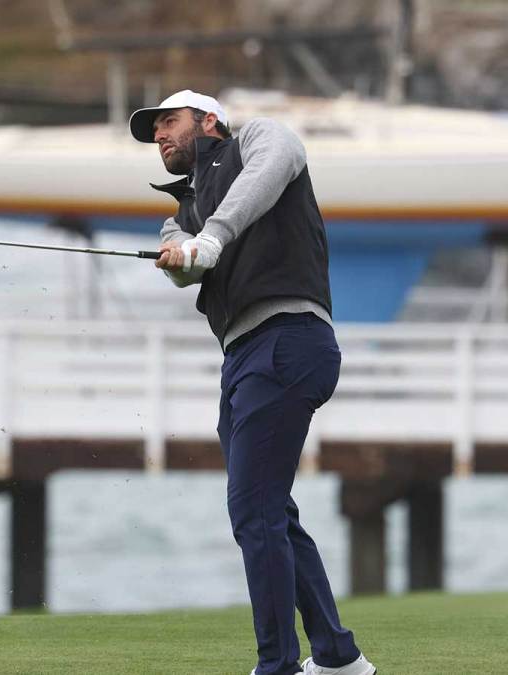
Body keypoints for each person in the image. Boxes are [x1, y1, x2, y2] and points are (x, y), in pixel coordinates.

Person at [128, 90, 376, 675]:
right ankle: (338, 657)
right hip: (243, 357)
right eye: (153, 130)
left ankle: (278, 666)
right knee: (270, 510)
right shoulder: (179, 211)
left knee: (252, 508)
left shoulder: (257, 140)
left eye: (170, 122)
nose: (160, 135)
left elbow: (274, 167)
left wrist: (210, 239)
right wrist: (181, 254)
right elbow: (182, 266)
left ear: (208, 120)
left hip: (288, 338)